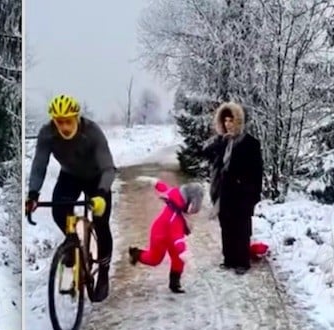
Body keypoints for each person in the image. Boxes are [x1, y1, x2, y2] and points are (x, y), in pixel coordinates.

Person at [25, 94, 117, 302]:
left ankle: (103, 273)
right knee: (59, 210)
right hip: (70, 176)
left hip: (97, 178)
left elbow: (108, 168)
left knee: (101, 223)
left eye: (68, 121)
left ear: (77, 118)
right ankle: (72, 245)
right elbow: (39, 165)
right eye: (59, 122)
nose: (64, 127)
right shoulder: (47, 134)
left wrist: (102, 193)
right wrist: (33, 194)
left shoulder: (92, 132)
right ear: (53, 121)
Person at [202, 101, 263, 275]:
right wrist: (217, 140)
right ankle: (229, 259)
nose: (228, 124)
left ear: (238, 121)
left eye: (231, 120)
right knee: (226, 226)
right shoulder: (222, 142)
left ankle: (242, 261)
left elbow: (257, 171)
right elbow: (206, 154)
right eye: (225, 121)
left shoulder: (250, 143)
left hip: (242, 193)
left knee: (242, 227)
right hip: (224, 192)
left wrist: (253, 195)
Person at [127, 180, 204, 293]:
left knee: (178, 260)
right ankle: (136, 254)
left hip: (171, 235)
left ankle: (174, 284)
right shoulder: (175, 218)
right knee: (154, 259)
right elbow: (178, 239)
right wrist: (185, 254)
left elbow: (163, 188)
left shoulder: (178, 199)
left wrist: (154, 182)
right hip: (160, 235)